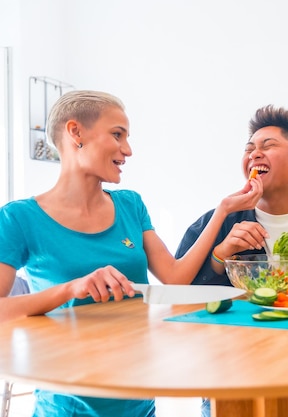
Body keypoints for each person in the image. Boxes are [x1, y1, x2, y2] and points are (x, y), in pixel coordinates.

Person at [0, 90, 263, 417]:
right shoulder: (18, 218)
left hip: (138, 401)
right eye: (117, 135)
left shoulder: (130, 205)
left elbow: (175, 278)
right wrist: (71, 288)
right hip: (66, 406)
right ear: (75, 132)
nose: (128, 150)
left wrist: (222, 210)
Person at [175, 104, 288, 417]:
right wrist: (219, 257)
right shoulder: (214, 225)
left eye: (268, 146)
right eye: (249, 148)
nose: (254, 154)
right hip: (226, 381)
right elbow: (178, 296)